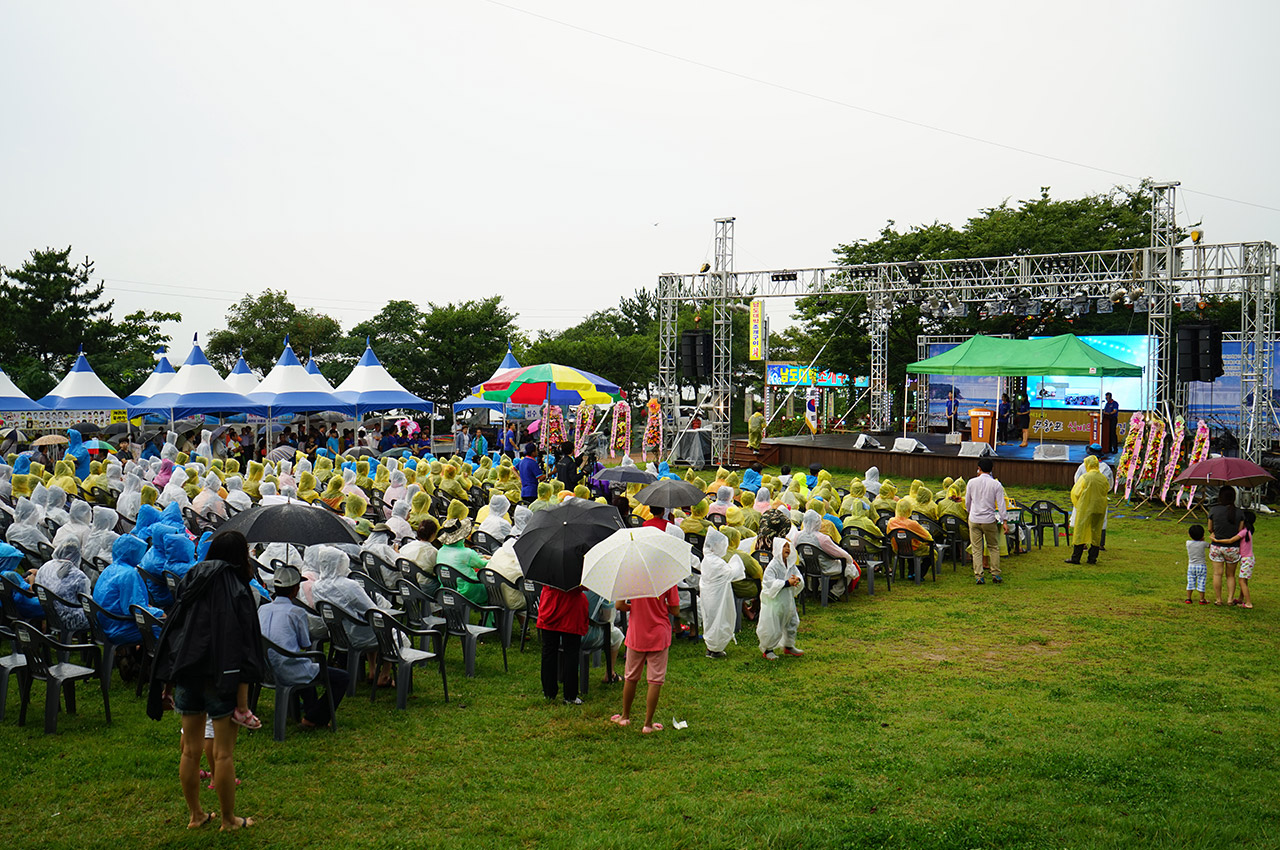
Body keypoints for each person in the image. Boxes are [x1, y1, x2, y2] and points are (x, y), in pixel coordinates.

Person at [147, 530, 261, 832]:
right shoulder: (238, 587)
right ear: (240, 555)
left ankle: (195, 815)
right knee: (223, 753)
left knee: (190, 750)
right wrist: (242, 701)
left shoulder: (192, 578)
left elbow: (175, 627)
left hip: (186, 668)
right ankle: (228, 820)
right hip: (220, 674)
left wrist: (168, 680)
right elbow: (243, 644)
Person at [258, 565, 347, 728]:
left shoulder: (262, 609)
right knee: (341, 678)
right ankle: (314, 718)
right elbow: (305, 644)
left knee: (305, 666)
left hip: (264, 670)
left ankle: (310, 709)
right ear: (294, 589)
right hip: (287, 670)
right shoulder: (296, 612)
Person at [611, 581, 680, 734]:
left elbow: (619, 605)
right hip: (659, 634)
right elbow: (675, 610)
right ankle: (648, 724)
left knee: (631, 677)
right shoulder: (668, 578)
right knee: (655, 679)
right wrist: (662, 608)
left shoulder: (633, 576)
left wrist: (634, 607)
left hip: (637, 633)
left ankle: (624, 717)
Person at [536, 580, 588, 705]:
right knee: (571, 653)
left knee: (549, 651)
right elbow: (585, 586)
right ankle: (570, 695)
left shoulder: (546, 564)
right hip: (571, 608)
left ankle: (549, 692)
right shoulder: (579, 564)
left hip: (550, 605)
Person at [699, 528, 745, 659]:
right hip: (716, 596)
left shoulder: (708, 559)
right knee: (718, 619)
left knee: (710, 619)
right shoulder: (715, 562)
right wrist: (737, 562)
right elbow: (731, 573)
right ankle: (715, 648)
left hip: (709, 595)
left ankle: (712, 646)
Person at [757, 537, 803, 660]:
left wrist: (797, 580)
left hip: (787, 601)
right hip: (775, 602)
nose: (787, 549)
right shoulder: (772, 566)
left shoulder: (790, 564)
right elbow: (768, 583)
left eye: (789, 546)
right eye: (784, 546)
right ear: (777, 549)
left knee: (792, 621)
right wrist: (786, 583)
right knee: (773, 625)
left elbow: (797, 575)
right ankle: (768, 649)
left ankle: (788, 645)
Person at [965, 457, 1008, 585]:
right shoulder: (996, 484)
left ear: (979, 469)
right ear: (991, 469)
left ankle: (979, 575)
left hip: (974, 518)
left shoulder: (972, 482)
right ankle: (995, 573)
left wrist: (970, 512)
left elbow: (968, 501)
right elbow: (1001, 504)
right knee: (993, 547)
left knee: (976, 549)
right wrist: (1004, 520)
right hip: (989, 519)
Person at [1065, 454, 1108, 565]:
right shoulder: (1103, 478)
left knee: (1080, 531)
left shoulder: (1085, 477)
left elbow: (1075, 492)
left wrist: (1078, 504)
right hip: (1100, 508)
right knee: (1096, 532)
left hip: (1085, 508)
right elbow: (1107, 489)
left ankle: (1076, 558)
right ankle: (1092, 558)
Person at [1207, 485, 1245, 606]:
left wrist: (1215, 534)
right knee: (1230, 575)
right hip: (1233, 547)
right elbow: (1240, 530)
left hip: (1216, 546)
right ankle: (1230, 599)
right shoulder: (1239, 512)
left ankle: (1218, 599)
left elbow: (1210, 528)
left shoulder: (1213, 510)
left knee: (1217, 573)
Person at [1220, 510, 1256, 609]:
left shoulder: (1243, 532)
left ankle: (1248, 603)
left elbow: (1231, 540)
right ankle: (1241, 599)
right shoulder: (1248, 530)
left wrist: (1217, 540)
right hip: (1248, 559)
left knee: (1241, 581)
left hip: (1247, 560)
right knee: (1244, 580)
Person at [1185, 525, 1209, 605]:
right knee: (1201, 582)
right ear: (1202, 535)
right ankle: (1202, 599)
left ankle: (1188, 598)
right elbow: (1210, 546)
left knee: (1190, 582)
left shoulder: (1188, 543)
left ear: (1189, 534)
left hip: (1191, 566)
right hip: (1201, 566)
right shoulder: (1203, 544)